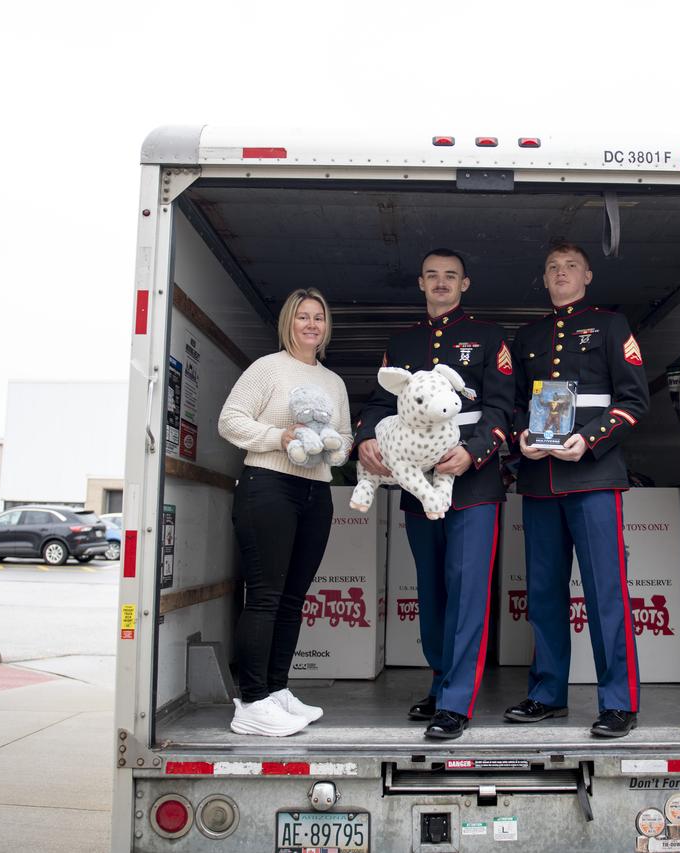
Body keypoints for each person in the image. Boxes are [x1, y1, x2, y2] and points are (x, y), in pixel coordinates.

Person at [355, 248, 514, 740]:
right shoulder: (402, 341)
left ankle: (456, 701)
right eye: (432, 277)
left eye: (451, 276)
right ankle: (442, 681)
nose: (441, 283)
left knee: (467, 592)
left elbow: (503, 407)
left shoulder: (489, 338)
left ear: (465, 284)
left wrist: (473, 452)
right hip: (417, 484)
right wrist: (365, 439)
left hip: (474, 481)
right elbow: (380, 402)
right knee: (432, 591)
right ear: (421, 284)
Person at [506, 242, 649, 737]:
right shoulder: (527, 336)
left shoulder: (611, 326)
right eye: (552, 268)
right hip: (540, 480)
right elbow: (517, 406)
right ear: (543, 280)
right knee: (543, 594)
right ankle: (548, 694)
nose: (561, 274)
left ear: (587, 274)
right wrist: (521, 437)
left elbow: (634, 402)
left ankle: (618, 702)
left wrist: (587, 440)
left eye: (570, 266)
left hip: (592, 476)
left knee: (604, 591)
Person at [218, 288, 352, 737]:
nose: (311, 325)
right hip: (268, 485)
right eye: (302, 317)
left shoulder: (334, 382)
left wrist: (334, 446)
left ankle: (276, 690)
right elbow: (230, 420)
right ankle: (251, 701)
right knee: (266, 596)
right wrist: (281, 437)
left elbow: (347, 437)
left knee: (294, 599)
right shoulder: (267, 368)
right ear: (288, 324)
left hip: (315, 490)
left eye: (319, 317)